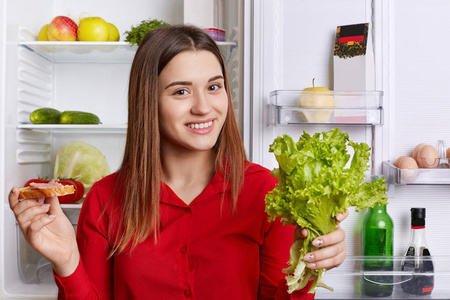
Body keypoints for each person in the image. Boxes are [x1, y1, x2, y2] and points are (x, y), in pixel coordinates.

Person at [9, 25, 347, 299]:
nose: (203, 107)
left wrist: (309, 268)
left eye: (214, 87)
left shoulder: (266, 192)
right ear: (148, 102)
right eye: (181, 92)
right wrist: (68, 262)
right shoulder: (105, 199)